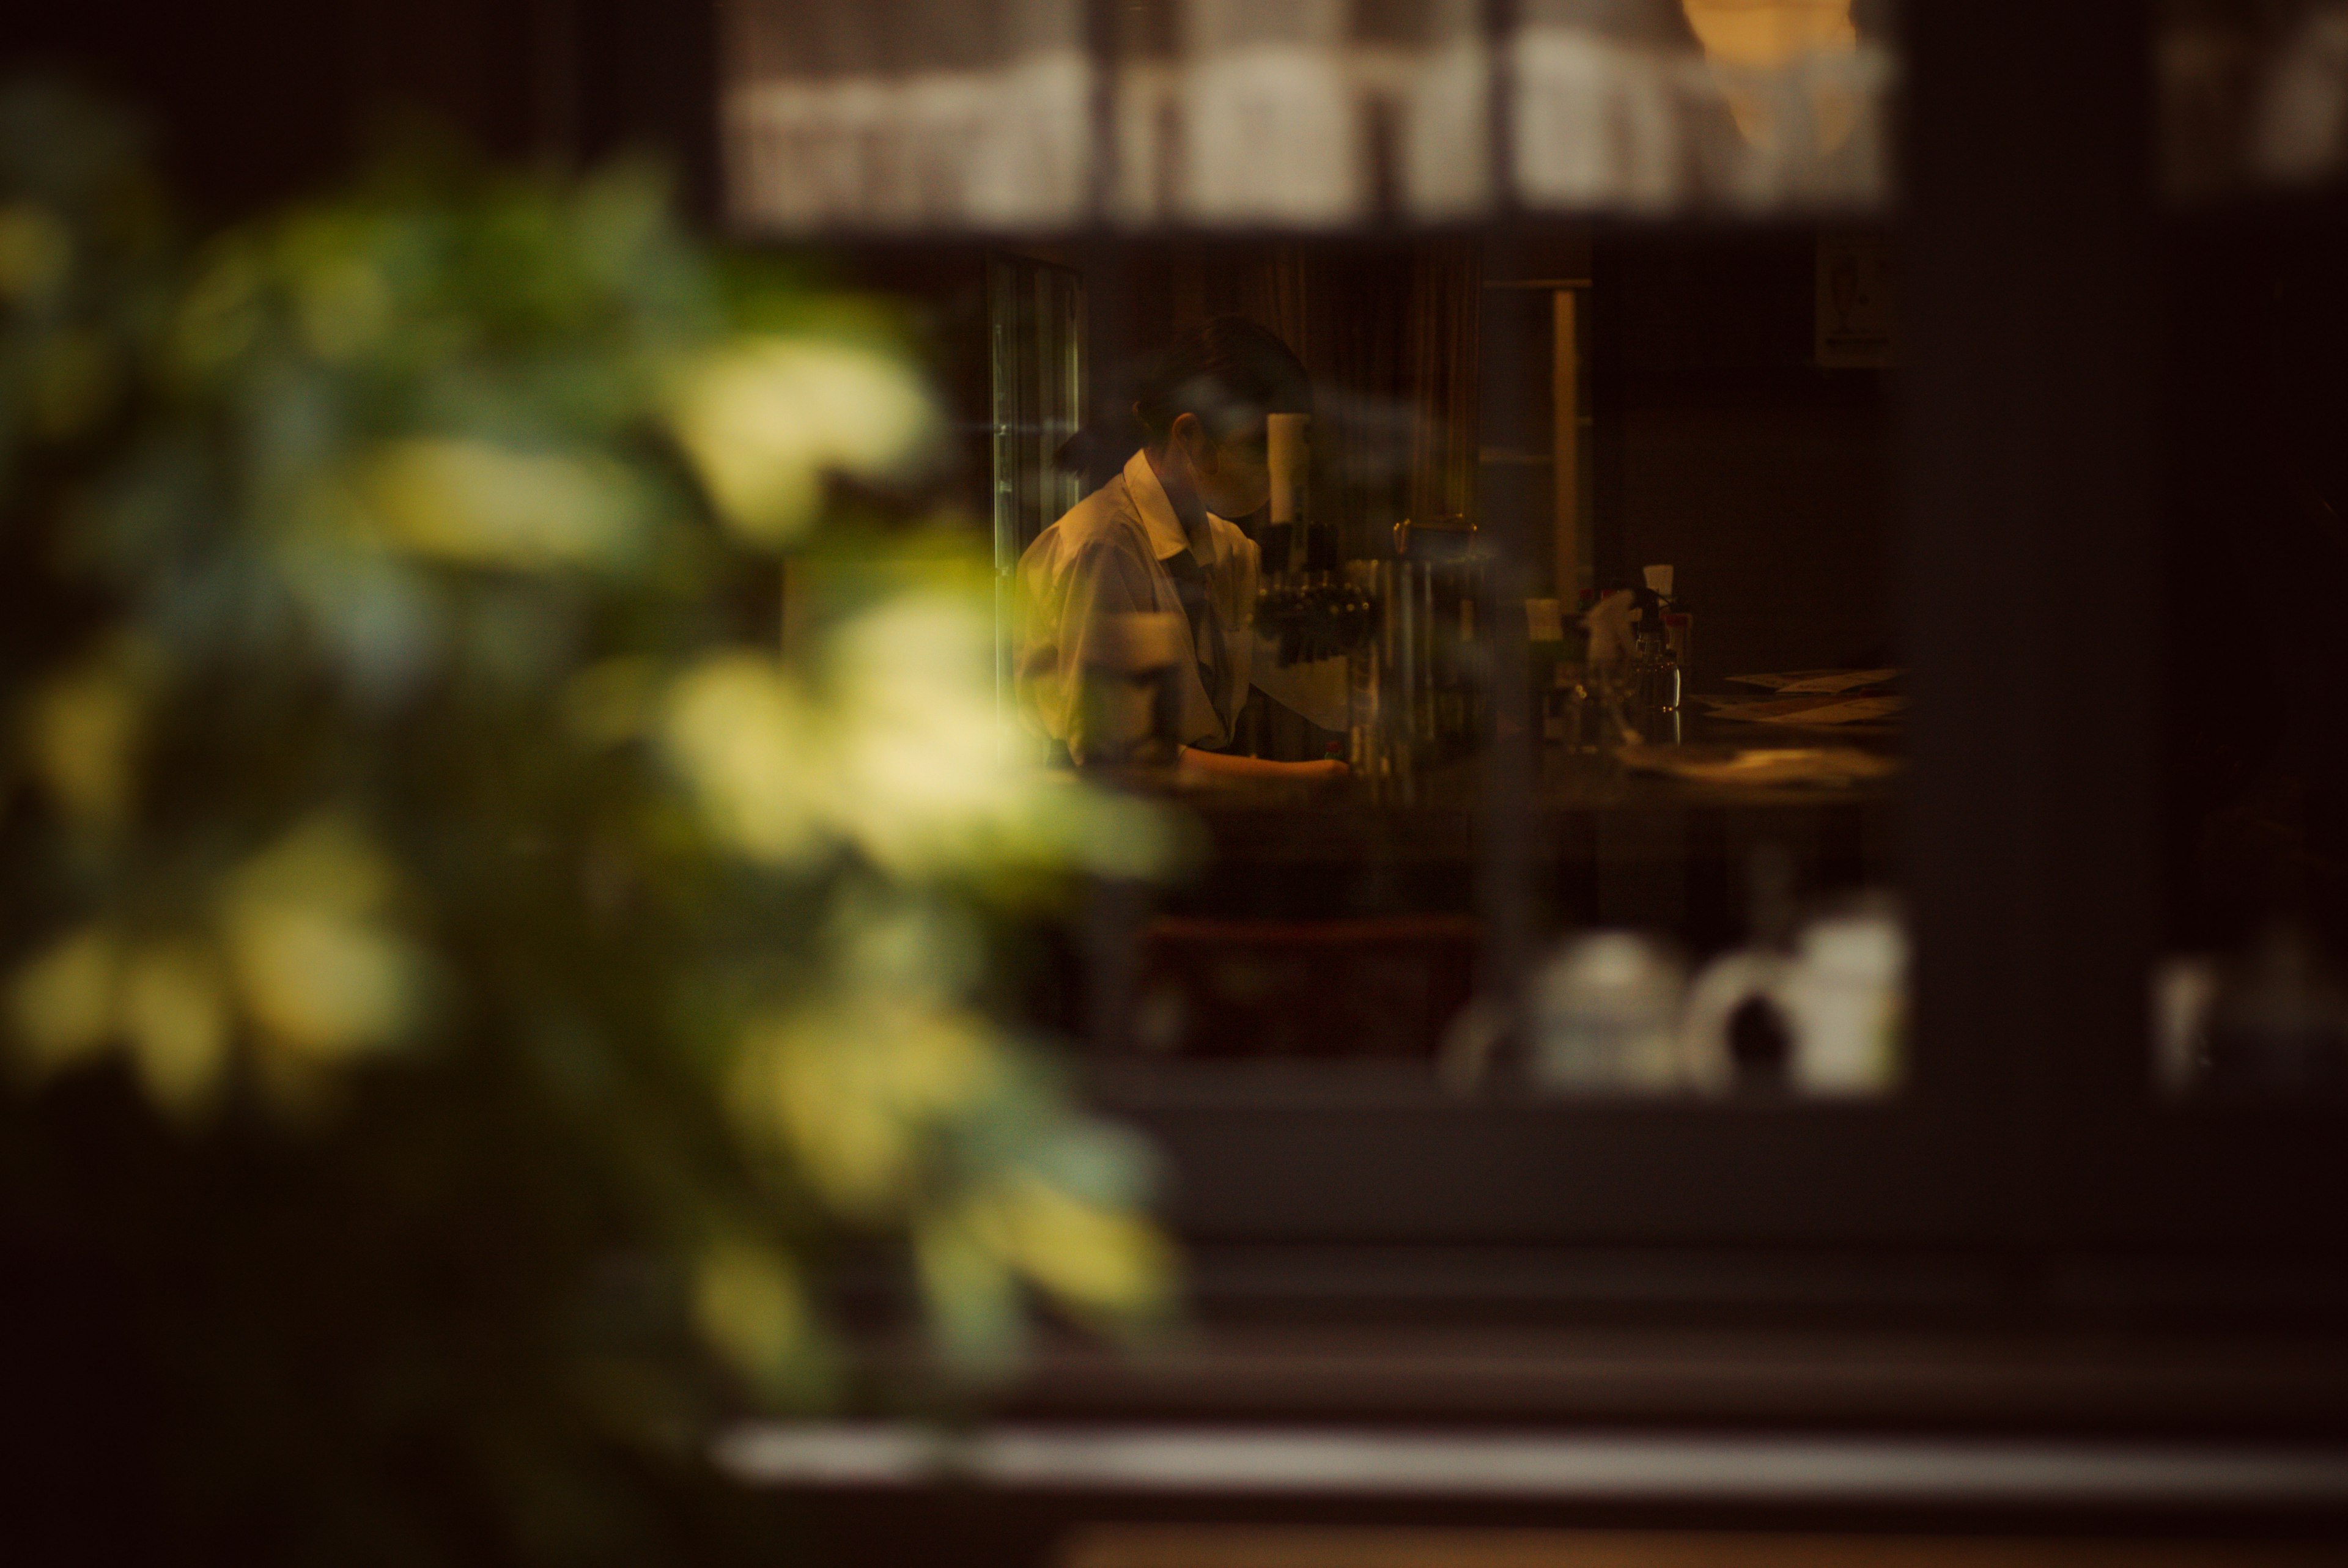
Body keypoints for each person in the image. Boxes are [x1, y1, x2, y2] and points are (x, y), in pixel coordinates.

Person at [1016, 316, 1347, 782]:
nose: (1280, 470)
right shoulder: (1104, 546)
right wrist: (1312, 777)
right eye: (1261, 447)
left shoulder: (1229, 550)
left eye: (1290, 449)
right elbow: (1128, 760)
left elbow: (1327, 691)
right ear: (1189, 435)